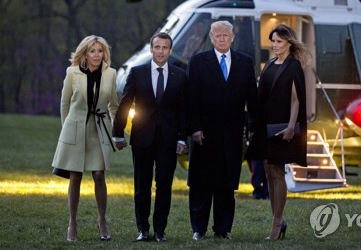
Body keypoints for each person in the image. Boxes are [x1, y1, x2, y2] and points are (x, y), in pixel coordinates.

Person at [112, 32, 187, 242]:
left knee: (164, 185)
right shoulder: (137, 73)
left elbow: (183, 110)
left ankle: (160, 231)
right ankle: (143, 230)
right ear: (151, 49)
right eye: (157, 47)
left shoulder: (180, 75)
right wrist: (118, 133)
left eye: (165, 48)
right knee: (141, 185)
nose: (161, 51)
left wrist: (182, 138)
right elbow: (125, 104)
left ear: (170, 51)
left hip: (169, 139)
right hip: (142, 138)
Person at [187, 20, 258, 241]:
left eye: (226, 35)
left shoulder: (245, 63)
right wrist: (195, 128)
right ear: (211, 38)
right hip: (204, 135)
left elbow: (252, 100)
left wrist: (252, 127)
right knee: (201, 183)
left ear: (232, 37)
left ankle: (223, 229)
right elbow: (191, 99)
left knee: (226, 184)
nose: (222, 39)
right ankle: (199, 228)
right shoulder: (198, 62)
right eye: (218, 35)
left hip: (232, 134)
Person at [51, 35, 119, 242]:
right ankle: (72, 223)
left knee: (99, 174)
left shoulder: (111, 74)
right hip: (75, 127)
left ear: (104, 53)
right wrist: (67, 130)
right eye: (92, 51)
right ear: (85, 53)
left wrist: (116, 131)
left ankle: (102, 220)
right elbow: (64, 104)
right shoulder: (72, 72)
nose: (96, 55)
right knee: (75, 176)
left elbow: (113, 106)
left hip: (99, 129)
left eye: (100, 51)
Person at [245, 23, 310, 240]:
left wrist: (291, 126)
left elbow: (295, 100)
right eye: (273, 41)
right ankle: (278, 220)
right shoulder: (270, 64)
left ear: (289, 43)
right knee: (268, 170)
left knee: (277, 171)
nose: (274, 45)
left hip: (282, 127)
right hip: (265, 125)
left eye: (279, 42)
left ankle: (276, 222)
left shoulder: (293, 66)